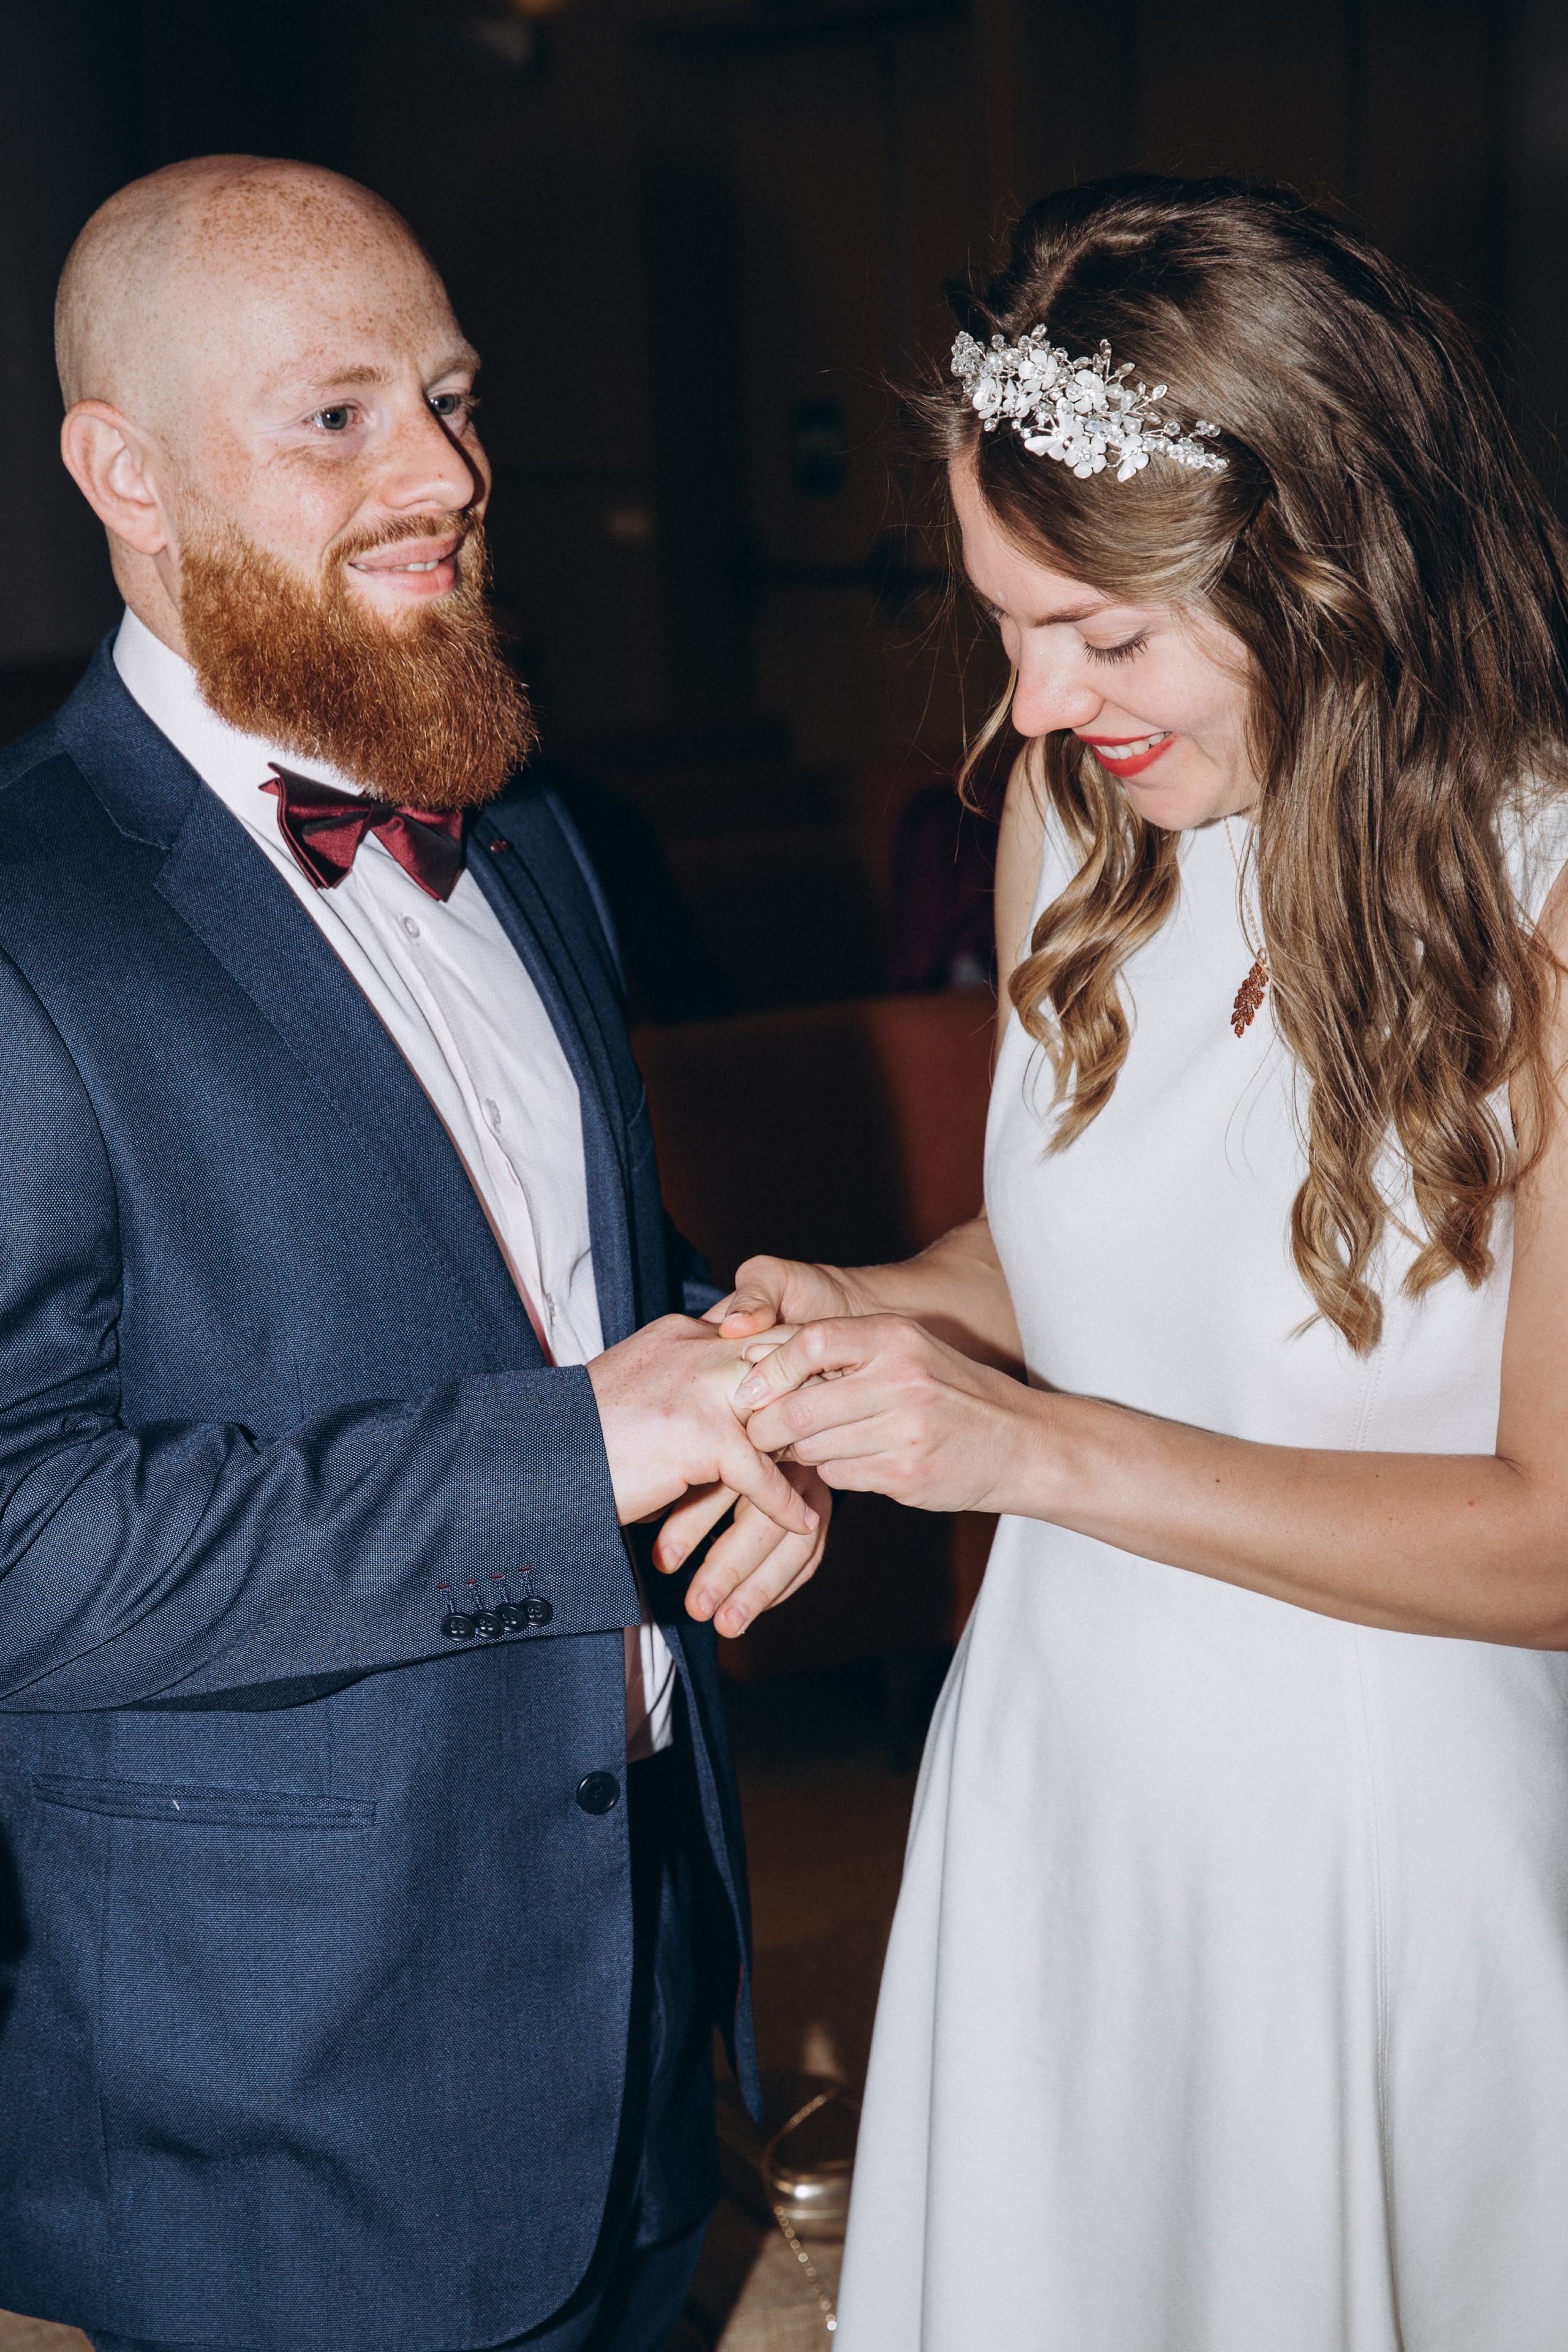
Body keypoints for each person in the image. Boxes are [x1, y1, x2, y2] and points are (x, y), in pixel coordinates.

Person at [704, 178, 1568, 2349]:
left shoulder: (1543, 894)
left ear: (1337, 573)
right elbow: (1102, 1254)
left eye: (1104, 634)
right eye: (1002, 620)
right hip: (1066, 1771)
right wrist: (884, 1312)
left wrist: (1024, 1452)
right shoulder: (1078, 825)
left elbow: (1553, 1540)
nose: (1031, 699)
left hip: (1380, 1837)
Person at [0, 156, 829, 2352]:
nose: (447, 476)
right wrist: (577, 1456)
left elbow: (554, 1272)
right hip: (288, 2085)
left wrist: (730, 1392)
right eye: (337, 417)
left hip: (641, 1953)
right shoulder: (20, 927)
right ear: (125, 472)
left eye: (450, 398)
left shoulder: (532, 821)